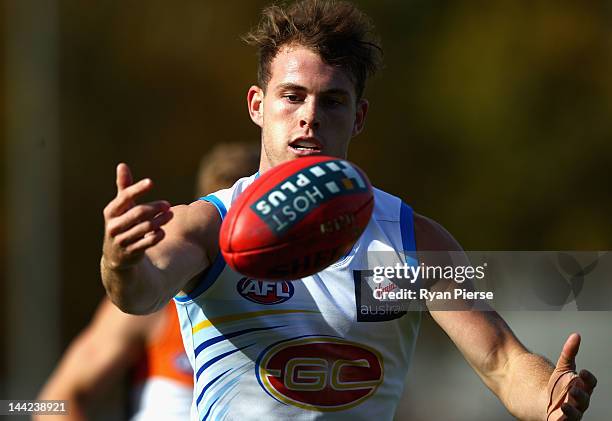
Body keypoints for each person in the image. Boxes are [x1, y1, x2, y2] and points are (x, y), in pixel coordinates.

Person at [99, 1, 597, 420]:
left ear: (358, 117)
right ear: (257, 104)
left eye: (332, 101)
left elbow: (504, 361)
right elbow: (140, 292)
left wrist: (547, 395)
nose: (309, 116)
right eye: (291, 97)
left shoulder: (414, 241)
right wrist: (120, 261)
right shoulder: (209, 226)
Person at [36, 143, 259, 421]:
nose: (231, 235)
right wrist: (120, 263)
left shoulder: (312, 298)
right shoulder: (155, 304)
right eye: (221, 216)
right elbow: (55, 401)